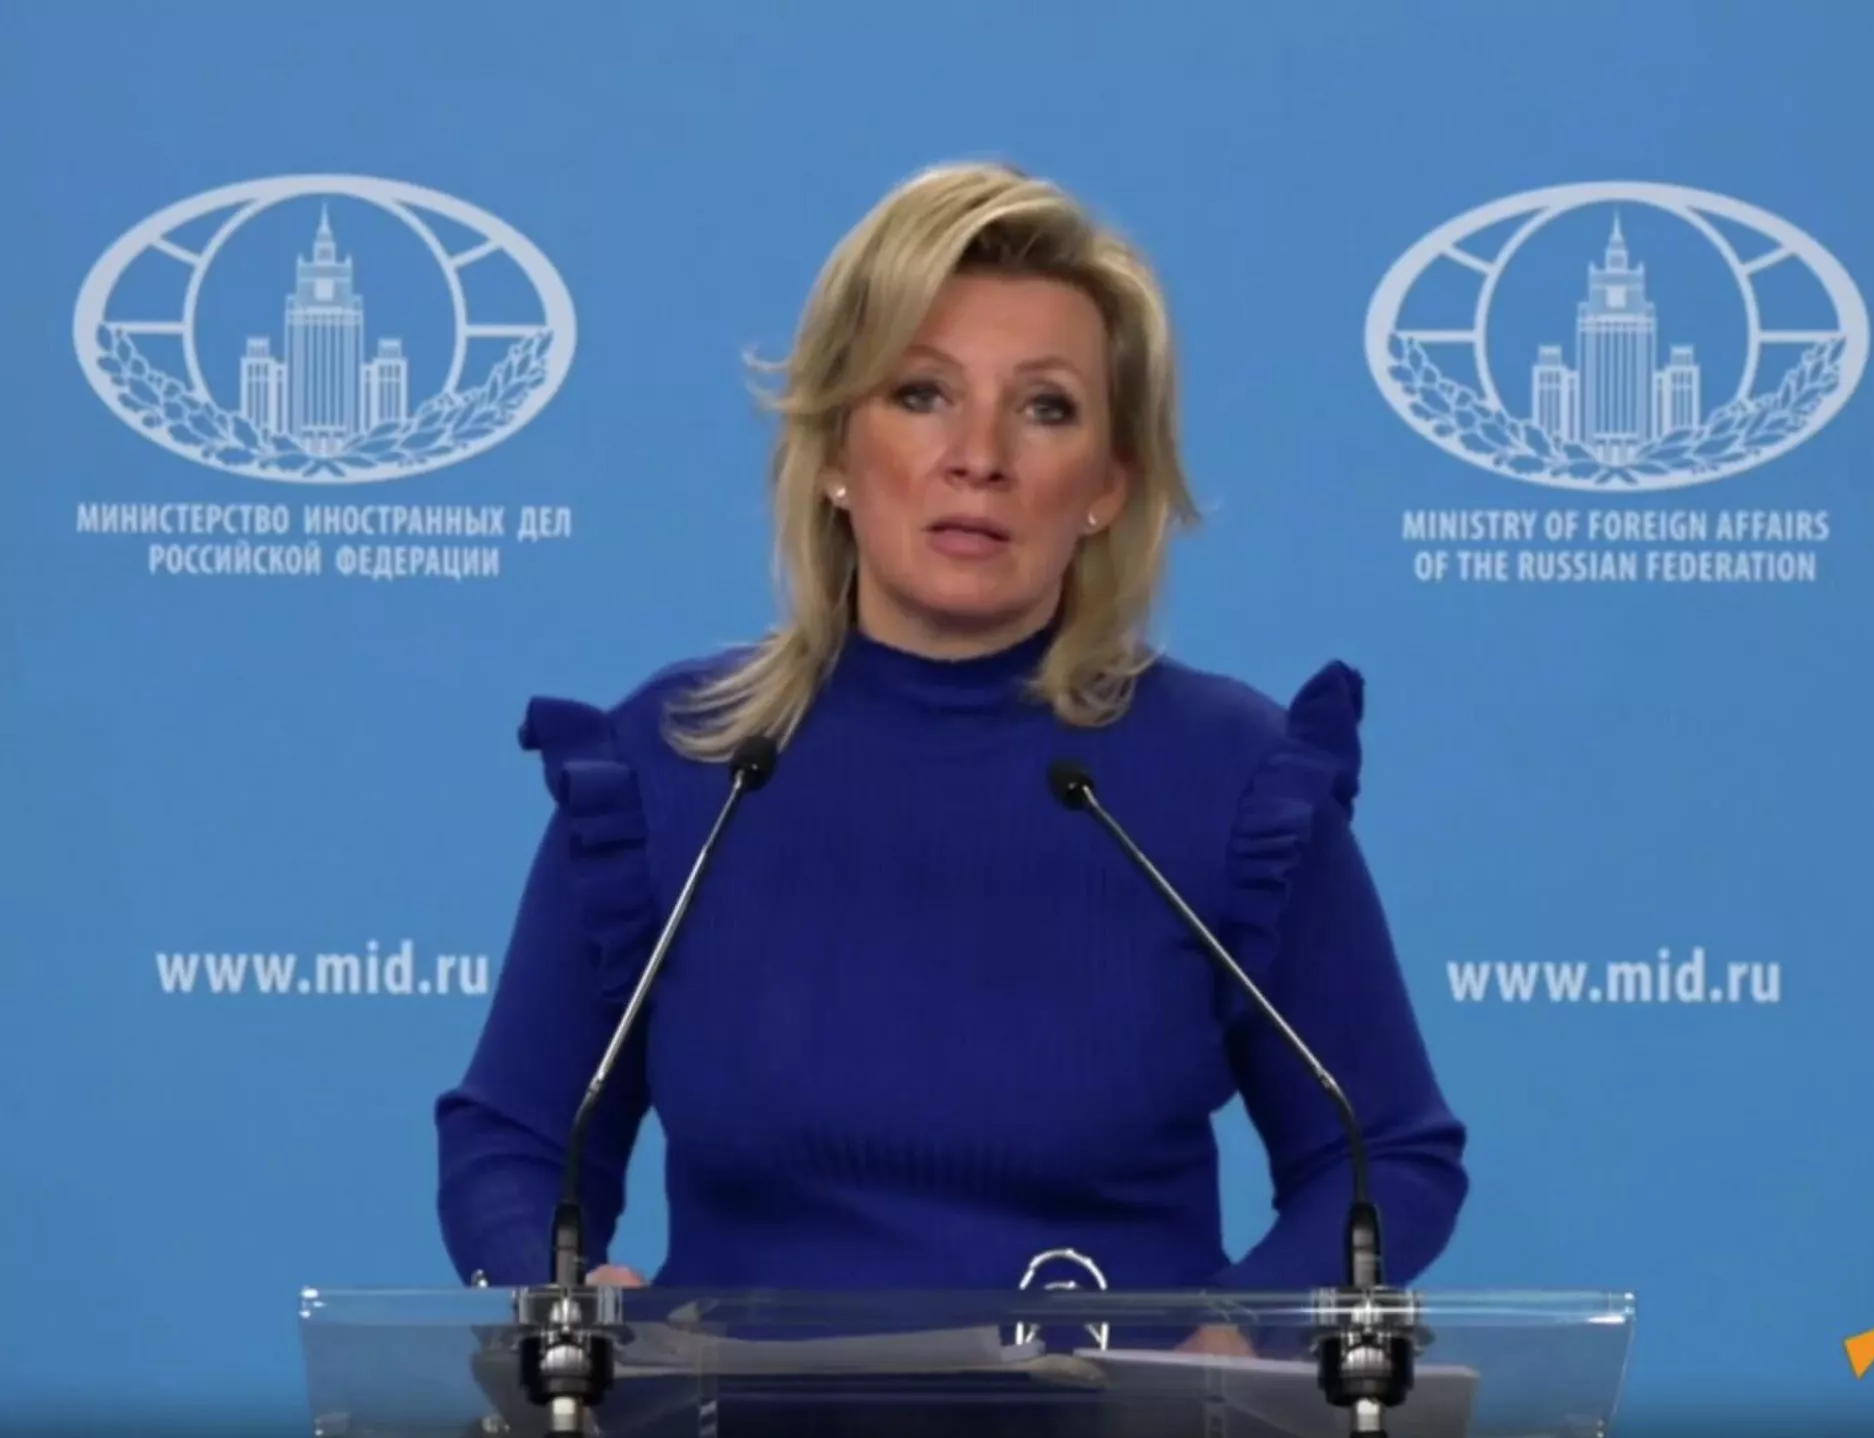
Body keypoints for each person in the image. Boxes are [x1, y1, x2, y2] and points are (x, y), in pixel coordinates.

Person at [433, 162, 1468, 1348]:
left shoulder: (1229, 780)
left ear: (1108, 483)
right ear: (834, 448)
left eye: (1046, 408)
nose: (980, 455)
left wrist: (1243, 1329)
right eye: (921, 393)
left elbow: (1386, 1154)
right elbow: (511, 1141)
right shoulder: (676, 770)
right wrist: (563, 1292)